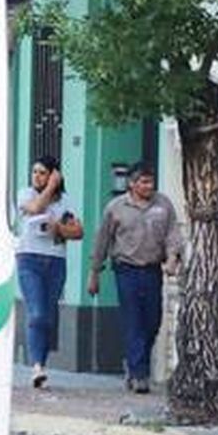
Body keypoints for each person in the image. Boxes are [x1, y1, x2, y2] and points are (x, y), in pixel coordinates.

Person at [88, 160, 183, 394]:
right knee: (133, 322)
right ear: (132, 184)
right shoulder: (116, 207)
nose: (148, 186)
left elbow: (173, 234)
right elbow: (102, 241)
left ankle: (133, 362)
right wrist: (94, 273)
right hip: (126, 270)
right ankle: (139, 374)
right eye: (143, 182)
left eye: (151, 182)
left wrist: (172, 258)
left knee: (152, 322)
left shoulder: (163, 205)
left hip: (152, 270)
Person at [15, 155, 80, 389]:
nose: (37, 176)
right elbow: (34, 209)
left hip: (55, 261)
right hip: (29, 259)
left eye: (43, 172)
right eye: (35, 172)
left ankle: (41, 364)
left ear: (54, 173)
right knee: (37, 313)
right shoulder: (26, 194)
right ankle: (35, 366)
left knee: (49, 315)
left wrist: (59, 227)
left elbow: (78, 231)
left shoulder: (65, 201)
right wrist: (51, 186)